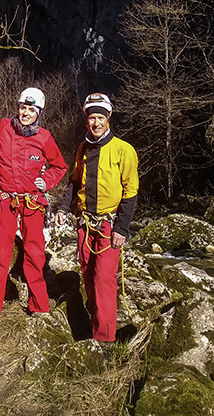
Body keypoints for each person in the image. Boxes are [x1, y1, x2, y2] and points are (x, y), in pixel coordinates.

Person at [0, 88, 67, 332]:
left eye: (31, 110)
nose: (26, 113)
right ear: (18, 107)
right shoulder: (3, 128)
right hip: (7, 200)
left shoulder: (45, 138)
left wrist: (46, 181)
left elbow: (59, 166)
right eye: (23, 108)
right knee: (0, 256)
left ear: (39, 113)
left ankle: (39, 306)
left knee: (34, 254)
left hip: (32, 203)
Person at [56, 93, 138, 350]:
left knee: (104, 279)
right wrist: (61, 208)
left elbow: (131, 192)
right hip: (85, 223)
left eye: (100, 117)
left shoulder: (124, 151)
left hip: (108, 225)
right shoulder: (83, 149)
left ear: (108, 118)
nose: (96, 122)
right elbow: (75, 181)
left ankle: (105, 340)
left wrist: (121, 229)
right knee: (89, 275)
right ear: (86, 119)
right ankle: (95, 323)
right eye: (92, 117)